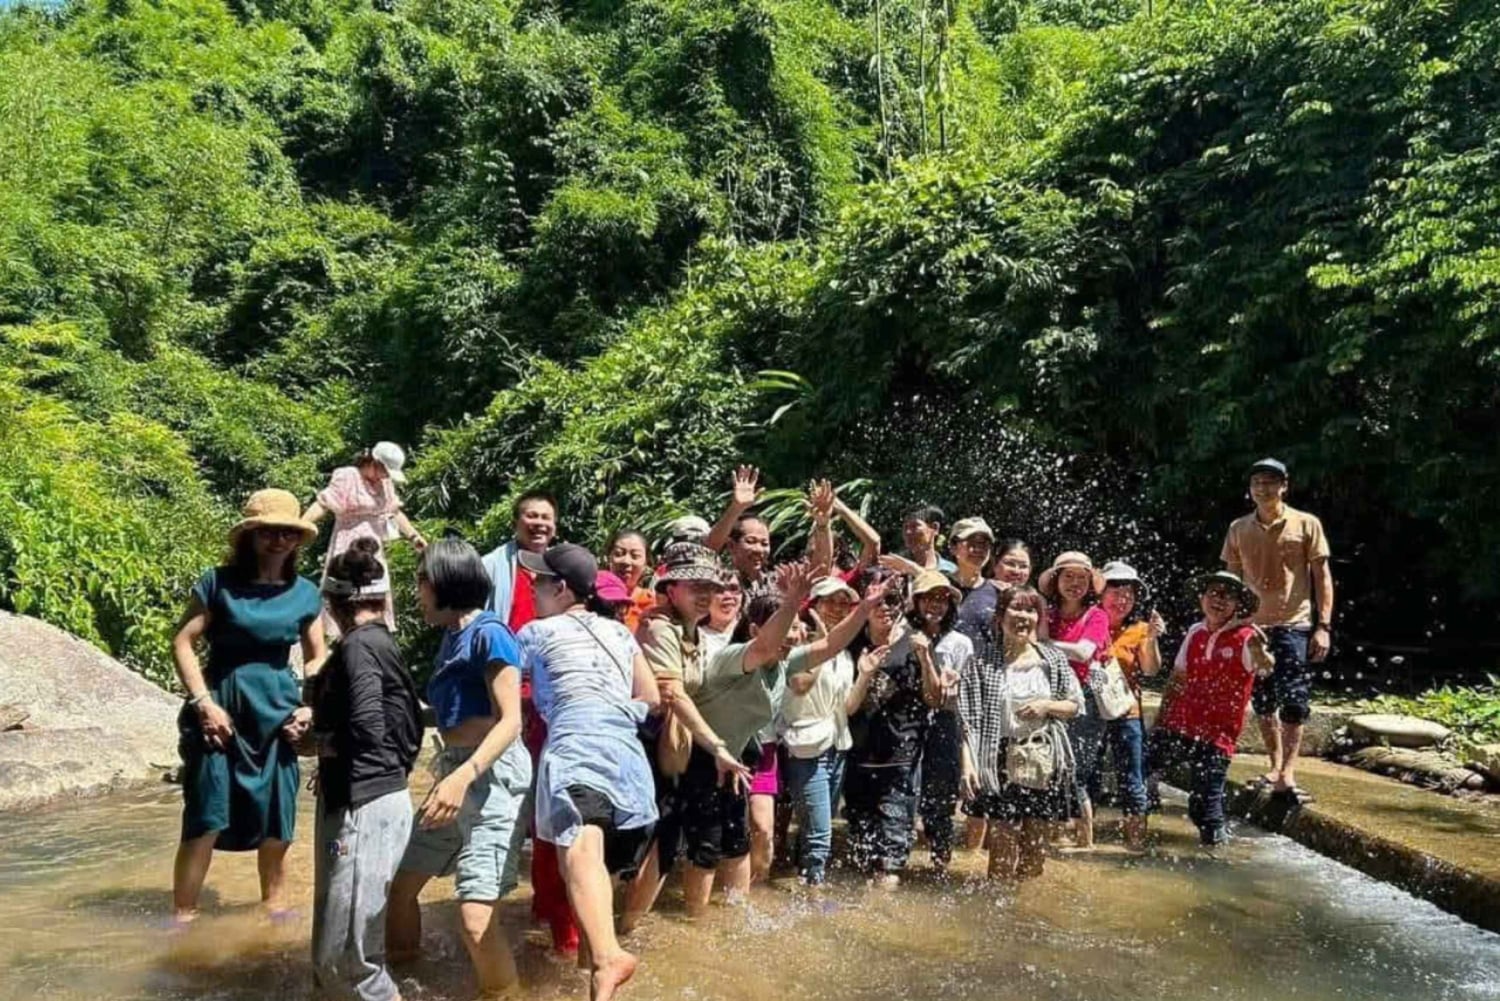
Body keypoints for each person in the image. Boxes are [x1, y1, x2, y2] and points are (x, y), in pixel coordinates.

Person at [170, 489, 325, 926]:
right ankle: (183, 917)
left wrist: (311, 708)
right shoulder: (217, 582)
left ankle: (273, 908)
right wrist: (202, 702)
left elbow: (317, 657)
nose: (278, 541)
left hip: (278, 715)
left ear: (298, 540)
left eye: (288, 534)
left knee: (279, 818)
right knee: (206, 815)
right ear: (250, 536)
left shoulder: (306, 593)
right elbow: (182, 641)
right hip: (220, 712)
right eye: (268, 533)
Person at [386, 539, 532, 996]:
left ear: (445, 581)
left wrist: (462, 777)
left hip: (489, 776)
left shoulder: (491, 632)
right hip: (453, 770)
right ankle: (403, 981)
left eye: (421, 582)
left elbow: (511, 721)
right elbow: (450, 715)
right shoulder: (453, 634)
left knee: (473, 920)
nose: (416, 593)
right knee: (401, 887)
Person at [514, 544, 659, 1001]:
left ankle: (606, 959)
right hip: (628, 758)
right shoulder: (618, 633)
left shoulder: (536, 632)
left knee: (576, 849)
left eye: (538, 581)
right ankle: (593, 971)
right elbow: (652, 696)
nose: (532, 588)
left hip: (577, 745)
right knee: (595, 867)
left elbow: (500, 687)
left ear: (560, 588)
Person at [308, 539, 422, 1001]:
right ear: (382, 599)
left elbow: (369, 727)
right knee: (335, 950)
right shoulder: (377, 643)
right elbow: (403, 722)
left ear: (332, 603)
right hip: (366, 799)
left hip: (365, 807)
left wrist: (318, 743)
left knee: (348, 960)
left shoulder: (358, 648)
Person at [623, 542, 756, 928]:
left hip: (676, 748)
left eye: (711, 588)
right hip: (647, 748)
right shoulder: (659, 627)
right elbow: (673, 693)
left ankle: (631, 930)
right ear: (671, 588)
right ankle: (621, 931)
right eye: (695, 586)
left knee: (665, 841)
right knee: (653, 843)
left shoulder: (689, 628)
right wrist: (716, 745)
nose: (706, 596)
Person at [668, 562, 812, 914]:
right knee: (705, 845)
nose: (791, 636)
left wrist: (866, 608)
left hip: (738, 755)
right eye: (785, 628)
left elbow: (829, 645)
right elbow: (763, 646)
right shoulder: (733, 654)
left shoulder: (780, 662)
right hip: (705, 754)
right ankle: (696, 923)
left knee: (737, 841)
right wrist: (793, 600)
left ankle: (736, 917)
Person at [480, 491, 575, 950]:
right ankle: (487, 913)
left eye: (546, 518)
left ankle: (545, 907)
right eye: (530, 516)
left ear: (555, 525)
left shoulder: (564, 571)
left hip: (550, 703)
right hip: (505, 697)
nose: (539, 523)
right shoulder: (492, 566)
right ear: (516, 521)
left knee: (548, 810)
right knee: (505, 802)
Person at [1221, 457, 1334, 797]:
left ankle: (1289, 772)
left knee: (1295, 699)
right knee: (1263, 700)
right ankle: (1274, 766)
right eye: (1257, 482)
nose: (1263, 488)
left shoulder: (1306, 523)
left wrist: (1323, 625)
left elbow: (1322, 577)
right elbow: (1231, 581)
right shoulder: (1238, 528)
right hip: (1252, 626)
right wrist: (1226, 623)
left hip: (1294, 623)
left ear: (1284, 485)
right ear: (1250, 489)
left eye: (1270, 481)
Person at [958, 585, 1083, 881]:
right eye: (1016, 609)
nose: (1023, 617)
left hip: (1042, 757)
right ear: (1000, 616)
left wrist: (1046, 705)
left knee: (1035, 848)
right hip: (998, 758)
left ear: (1038, 618)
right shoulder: (981, 662)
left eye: (1030, 610)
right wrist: (968, 765)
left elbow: (1074, 706)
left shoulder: (1052, 660)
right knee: (1001, 844)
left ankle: (1026, 913)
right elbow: (968, 721)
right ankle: (998, 913)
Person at [844, 570, 960, 885]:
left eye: (892, 601)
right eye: (877, 601)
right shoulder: (850, 643)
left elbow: (934, 699)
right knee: (861, 850)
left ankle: (884, 908)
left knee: (891, 854)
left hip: (901, 760)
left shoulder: (916, 643)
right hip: (857, 758)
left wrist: (925, 658)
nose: (884, 607)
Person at [779, 576, 891, 884]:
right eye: (831, 601)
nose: (839, 608)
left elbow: (848, 708)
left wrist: (865, 675)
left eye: (845, 603)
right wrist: (824, 641)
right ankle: (813, 893)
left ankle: (803, 885)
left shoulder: (844, 655)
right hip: (805, 748)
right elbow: (800, 685)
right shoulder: (797, 643)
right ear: (814, 605)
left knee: (817, 828)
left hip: (837, 746)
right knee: (819, 834)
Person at [1151, 572, 1274, 845]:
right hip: (1178, 726)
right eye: (1213, 593)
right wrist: (1160, 721)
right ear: (1201, 598)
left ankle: (1217, 855)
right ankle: (1139, 825)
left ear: (1237, 605)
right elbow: (1177, 679)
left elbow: (1265, 667)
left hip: (1217, 737)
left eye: (1227, 595)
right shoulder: (1195, 631)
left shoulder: (1246, 637)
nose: (1219, 600)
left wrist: (1259, 651)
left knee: (1205, 806)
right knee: (1140, 767)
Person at [303, 443, 427, 635]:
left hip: (373, 547)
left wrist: (413, 535)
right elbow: (323, 504)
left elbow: (394, 512)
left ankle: (372, 636)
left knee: (373, 595)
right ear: (373, 462)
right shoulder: (347, 476)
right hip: (347, 544)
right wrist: (301, 525)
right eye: (384, 470)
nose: (385, 476)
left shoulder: (385, 484)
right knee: (346, 595)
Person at [962, 538, 1033, 851]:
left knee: (1009, 786)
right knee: (979, 781)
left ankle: (993, 851)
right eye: (1011, 562)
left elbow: (1038, 645)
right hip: (979, 682)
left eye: (1023, 565)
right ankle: (971, 854)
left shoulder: (1031, 601)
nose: (1016, 570)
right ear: (996, 563)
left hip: (1016, 693)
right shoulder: (980, 592)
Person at [1038, 551, 1110, 850]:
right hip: (1052, 698)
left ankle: (1086, 842)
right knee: (1052, 771)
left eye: (1082, 578)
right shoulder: (1049, 614)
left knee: (1077, 771)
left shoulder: (1097, 615)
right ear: (1056, 581)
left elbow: (1082, 653)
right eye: (1068, 576)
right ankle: (1055, 836)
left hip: (1085, 701)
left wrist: (1042, 644)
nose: (1075, 584)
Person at [1097, 562, 1165, 851]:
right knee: (1086, 773)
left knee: (1133, 777)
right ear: (1100, 592)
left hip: (1127, 713)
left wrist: (1151, 639)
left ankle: (1135, 842)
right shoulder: (1088, 622)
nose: (1122, 599)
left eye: (1129, 594)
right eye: (1115, 591)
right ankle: (1079, 835)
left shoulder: (1138, 630)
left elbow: (1150, 670)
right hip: (1091, 713)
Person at [705, 465, 777, 603]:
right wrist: (736, 508)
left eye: (764, 544)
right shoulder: (718, 580)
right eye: (751, 541)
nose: (758, 549)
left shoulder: (777, 582)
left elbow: (819, 571)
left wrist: (822, 525)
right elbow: (707, 550)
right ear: (731, 545)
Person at [949, 517, 999, 643]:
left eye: (984, 544)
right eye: (971, 543)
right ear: (953, 547)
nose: (978, 550)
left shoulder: (998, 592)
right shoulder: (939, 586)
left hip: (986, 662)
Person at [604, 530, 655, 630]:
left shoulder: (651, 605)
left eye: (635, 556)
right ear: (609, 558)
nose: (626, 561)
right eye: (619, 554)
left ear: (646, 563)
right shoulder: (593, 599)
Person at [901, 504, 957, 574]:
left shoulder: (951, 572)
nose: (908, 532)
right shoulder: (895, 570)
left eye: (914, 526)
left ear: (935, 528)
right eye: (905, 527)